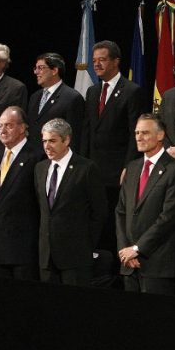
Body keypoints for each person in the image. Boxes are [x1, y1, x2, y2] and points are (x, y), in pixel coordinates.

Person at [82, 40, 150, 259]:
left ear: (115, 61)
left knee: (114, 220)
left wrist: (129, 166)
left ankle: (114, 264)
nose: (97, 65)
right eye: (94, 61)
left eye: (102, 60)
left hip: (117, 172)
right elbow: (87, 130)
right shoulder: (92, 91)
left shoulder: (131, 91)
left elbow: (134, 134)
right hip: (93, 169)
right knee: (94, 218)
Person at [116, 114, 175, 295]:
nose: (139, 137)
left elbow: (169, 217)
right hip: (129, 264)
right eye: (137, 133)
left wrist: (137, 249)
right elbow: (121, 212)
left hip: (158, 265)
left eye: (145, 133)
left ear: (160, 135)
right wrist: (125, 250)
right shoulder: (132, 168)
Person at [35, 118, 107, 285]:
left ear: (66, 140)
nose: (47, 146)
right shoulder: (40, 168)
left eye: (52, 141)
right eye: (44, 141)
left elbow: (99, 212)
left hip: (76, 257)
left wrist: (86, 244)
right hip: (46, 257)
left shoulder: (86, 168)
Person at [0, 107, 44, 280]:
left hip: (24, 246)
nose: (3, 131)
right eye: (0, 126)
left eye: (9, 125)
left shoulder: (37, 156)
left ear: (22, 128)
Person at [28, 52, 85, 145]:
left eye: (41, 68)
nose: (36, 72)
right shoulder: (34, 97)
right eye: (36, 68)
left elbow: (74, 136)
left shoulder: (72, 98)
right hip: (33, 153)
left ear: (54, 70)